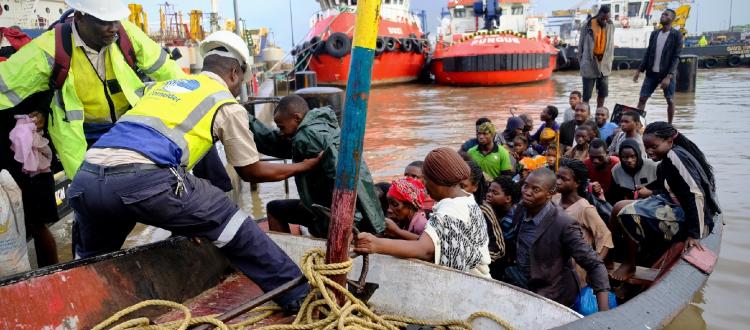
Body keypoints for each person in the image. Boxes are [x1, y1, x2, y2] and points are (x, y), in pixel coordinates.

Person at [66, 31, 314, 311]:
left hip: (86, 181)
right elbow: (250, 171)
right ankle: (298, 294)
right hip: (143, 179)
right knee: (231, 221)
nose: (238, 89)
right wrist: (303, 166)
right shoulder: (224, 103)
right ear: (234, 72)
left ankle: (81, 308)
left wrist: (193, 218)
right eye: (240, 82)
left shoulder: (164, 89)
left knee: (91, 261)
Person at [0, 0, 185, 179]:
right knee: (89, 192)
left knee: (136, 187)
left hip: (127, 125)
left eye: (115, 20)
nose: (113, 27)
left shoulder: (126, 34)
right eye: (104, 21)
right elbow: (6, 82)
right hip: (81, 134)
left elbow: (168, 71)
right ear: (80, 17)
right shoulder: (51, 47)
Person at [251, 94, 385, 238]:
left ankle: (284, 257)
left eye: (281, 128)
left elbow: (337, 176)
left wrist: (347, 221)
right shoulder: (323, 123)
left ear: (296, 118)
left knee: (274, 208)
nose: (281, 133)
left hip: (338, 212)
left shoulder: (306, 136)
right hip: (357, 207)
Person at [354, 148, 491, 278]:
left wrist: (376, 244)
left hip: (470, 284)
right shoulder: (466, 200)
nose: (424, 187)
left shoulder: (449, 211)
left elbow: (425, 250)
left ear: (438, 181)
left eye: (426, 181)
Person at [611, 122, 721, 281]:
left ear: (669, 142)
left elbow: (695, 194)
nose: (648, 151)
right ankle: (618, 256)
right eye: (646, 147)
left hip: (691, 220)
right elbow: (671, 190)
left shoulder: (675, 156)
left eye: (654, 147)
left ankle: (630, 263)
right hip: (674, 205)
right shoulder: (666, 160)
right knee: (618, 207)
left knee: (627, 214)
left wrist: (694, 234)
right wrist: (651, 192)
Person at [504, 168, 610, 309]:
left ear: (550, 194)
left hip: (551, 291)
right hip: (523, 279)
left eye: (536, 189)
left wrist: (604, 313)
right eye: (526, 186)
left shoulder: (563, 224)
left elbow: (595, 264)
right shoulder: (522, 208)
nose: (527, 192)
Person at [552, 159, 614, 287]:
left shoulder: (584, 208)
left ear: (577, 183)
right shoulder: (554, 199)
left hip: (574, 269)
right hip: (553, 263)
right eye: (557, 177)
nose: (558, 182)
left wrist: (594, 265)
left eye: (564, 179)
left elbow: (605, 236)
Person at [634, 9, 683, 124]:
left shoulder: (677, 35)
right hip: (651, 73)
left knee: (670, 100)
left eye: (666, 15)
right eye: (662, 14)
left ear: (672, 19)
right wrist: (639, 70)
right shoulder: (655, 33)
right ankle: (637, 123)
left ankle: (670, 125)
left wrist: (669, 76)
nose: (662, 16)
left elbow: (676, 56)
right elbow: (648, 52)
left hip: (667, 74)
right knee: (642, 98)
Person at [482, 175, 520, 279]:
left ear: (508, 198)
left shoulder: (513, 219)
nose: (489, 195)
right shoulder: (490, 211)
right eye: (489, 191)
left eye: (495, 193)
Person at [578, 5, 615, 108]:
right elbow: (581, 45)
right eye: (603, 18)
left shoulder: (611, 25)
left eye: (607, 18)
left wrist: (610, 59)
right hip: (589, 63)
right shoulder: (588, 25)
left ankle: (599, 114)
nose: (605, 21)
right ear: (599, 14)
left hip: (604, 64)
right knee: (586, 95)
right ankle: (585, 114)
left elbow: (611, 44)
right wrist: (581, 63)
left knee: (603, 93)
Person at [610, 139, 658, 203]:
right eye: (625, 157)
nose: (629, 160)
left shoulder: (654, 166)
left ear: (638, 154)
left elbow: (667, 192)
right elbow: (613, 196)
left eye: (633, 156)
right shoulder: (616, 171)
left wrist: (651, 193)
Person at [585, 139, 620, 203]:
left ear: (607, 153)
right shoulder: (586, 164)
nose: (595, 161)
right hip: (594, 199)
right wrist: (590, 185)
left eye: (599, 157)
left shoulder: (617, 164)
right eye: (592, 157)